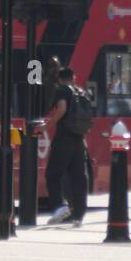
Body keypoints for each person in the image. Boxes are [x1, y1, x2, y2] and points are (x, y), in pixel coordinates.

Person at [45, 68, 89, 226]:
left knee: (53, 174)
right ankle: (78, 215)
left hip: (64, 138)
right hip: (79, 139)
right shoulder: (81, 92)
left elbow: (62, 108)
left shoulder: (63, 90)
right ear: (73, 77)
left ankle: (60, 206)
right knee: (78, 177)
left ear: (59, 79)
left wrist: (48, 125)